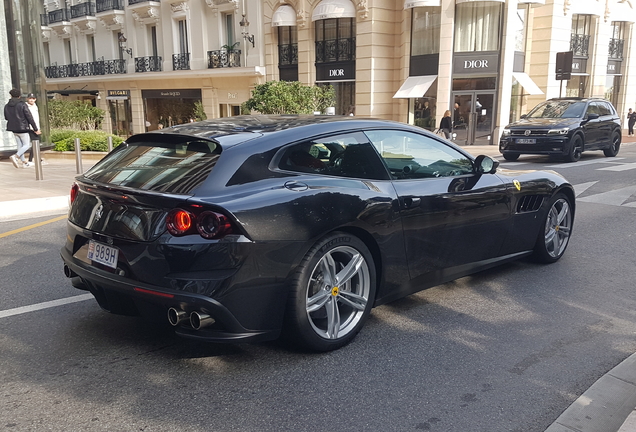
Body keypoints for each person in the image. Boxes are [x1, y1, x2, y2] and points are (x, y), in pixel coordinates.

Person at [4, 89, 40, 168]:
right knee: (26, 145)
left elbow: (6, 117)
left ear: (11, 96)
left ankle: (24, 162)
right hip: (23, 128)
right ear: (19, 96)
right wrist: (35, 128)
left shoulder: (7, 105)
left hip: (13, 128)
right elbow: (29, 117)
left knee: (20, 145)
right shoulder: (22, 104)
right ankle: (16, 156)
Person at [25, 93, 45, 165]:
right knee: (34, 144)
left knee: (36, 144)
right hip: (31, 128)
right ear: (27, 99)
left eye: (33, 98)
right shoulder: (26, 107)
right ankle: (30, 160)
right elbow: (29, 119)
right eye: (30, 98)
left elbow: (36, 119)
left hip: (36, 128)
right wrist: (35, 129)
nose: (31, 100)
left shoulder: (35, 106)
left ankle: (38, 159)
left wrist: (38, 128)